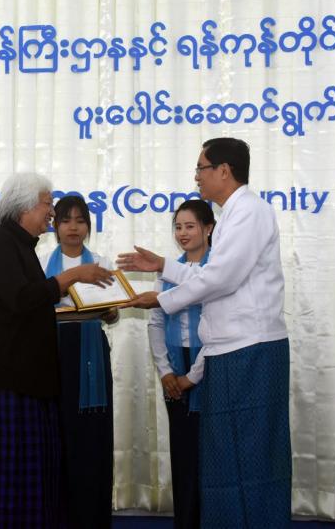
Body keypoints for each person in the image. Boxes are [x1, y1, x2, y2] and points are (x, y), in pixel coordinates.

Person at [117, 138, 291, 528]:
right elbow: (212, 273)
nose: (196, 176)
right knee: (225, 458)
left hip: (252, 350)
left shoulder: (250, 211)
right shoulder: (232, 213)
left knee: (254, 458)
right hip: (230, 351)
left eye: (201, 168)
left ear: (224, 171)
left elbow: (221, 278)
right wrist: (164, 266)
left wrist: (162, 299)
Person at [0, 173, 112, 528]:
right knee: (12, 478)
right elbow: (22, 299)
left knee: (35, 478)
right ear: (24, 207)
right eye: (48, 204)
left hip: (32, 380)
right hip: (11, 380)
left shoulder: (22, 247)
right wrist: (71, 276)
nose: (52, 212)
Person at [39, 195, 118, 529]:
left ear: (88, 226)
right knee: (53, 435)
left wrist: (110, 311)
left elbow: (112, 313)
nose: (73, 227)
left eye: (80, 220)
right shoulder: (40, 262)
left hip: (90, 356)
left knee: (90, 438)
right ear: (55, 226)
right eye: (66, 220)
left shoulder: (100, 262)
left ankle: (91, 517)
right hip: (51, 351)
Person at [147, 199, 214, 529]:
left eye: (190, 226)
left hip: (211, 366)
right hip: (175, 369)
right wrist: (166, 372)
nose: (183, 233)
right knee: (183, 456)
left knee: (212, 457)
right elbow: (155, 322)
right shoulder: (168, 272)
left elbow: (218, 329)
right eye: (178, 227)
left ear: (209, 228)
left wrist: (193, 376)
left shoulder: (219, 271)